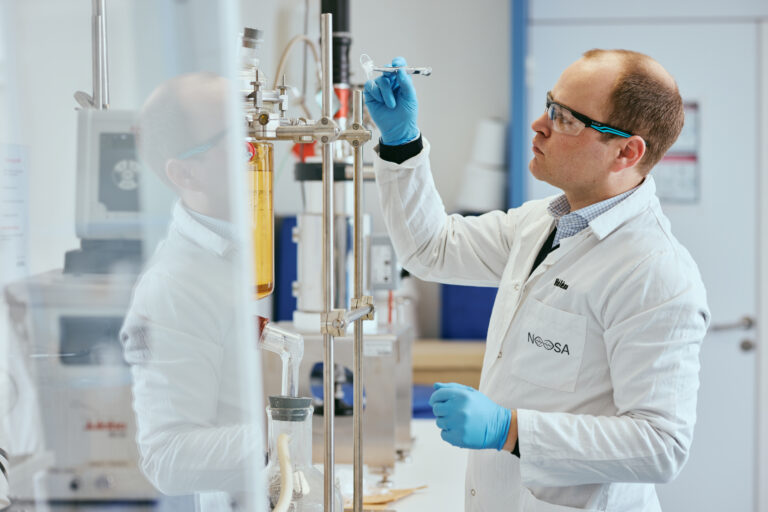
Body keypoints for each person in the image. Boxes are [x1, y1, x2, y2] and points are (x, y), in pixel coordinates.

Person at [364, 49, 710, 511]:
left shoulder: (655, 273)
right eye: (550, 105)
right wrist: (401, 143)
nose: (539, 125)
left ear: (626, 152)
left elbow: (660, 445)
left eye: (566, 118)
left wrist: (509, 430)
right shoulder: (540, 223)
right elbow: (432, 249)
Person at [120, 72, 261, 512]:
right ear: (185, 173)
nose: (258, 148)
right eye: (236, 136)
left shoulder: (255, 243)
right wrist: (292, 433)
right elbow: (167, 457)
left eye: (254, 126)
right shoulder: (172, 286)